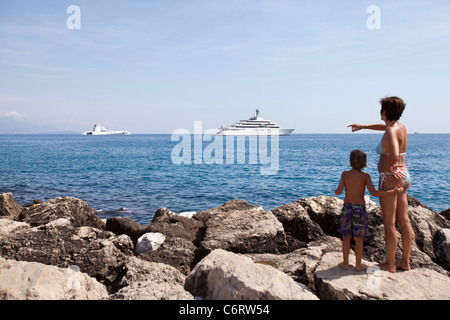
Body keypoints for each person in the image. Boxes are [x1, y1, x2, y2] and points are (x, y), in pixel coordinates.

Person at [348, 96, 412, 273]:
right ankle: (405, 261)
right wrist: (363, 127)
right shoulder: (400, 127)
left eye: (381, 108)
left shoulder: (391, 131)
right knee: (404, 220)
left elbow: (394, 153)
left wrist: (391, 167)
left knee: (389, 223)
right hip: (404, 175)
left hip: (390, 178)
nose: (380, 111)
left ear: (385, 111)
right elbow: (385, 129)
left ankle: (390, 264)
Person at [335, 149, 403, 271]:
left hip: (347, 208)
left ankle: (345, 263)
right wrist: (392, 192)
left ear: (350, 162)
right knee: (359, 238)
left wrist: (336, 191)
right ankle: (358, 265)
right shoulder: (365, 176)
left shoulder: (345, 174)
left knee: (346, 237)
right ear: (364, 163)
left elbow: (339, 191)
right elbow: (374, 193)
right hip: (359, 210)